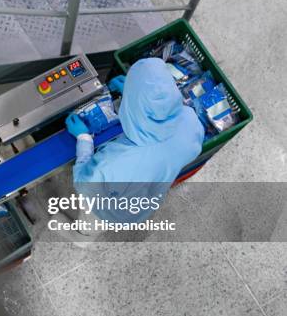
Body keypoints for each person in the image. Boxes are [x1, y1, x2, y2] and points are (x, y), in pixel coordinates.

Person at [64, 57, 204, 223]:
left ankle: (82, 236)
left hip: (116, 211)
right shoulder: (191, 121)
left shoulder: (115, 161)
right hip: (147, 201)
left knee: (91, 220)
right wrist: (133, 94)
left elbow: (83, 184)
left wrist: (83, 137)